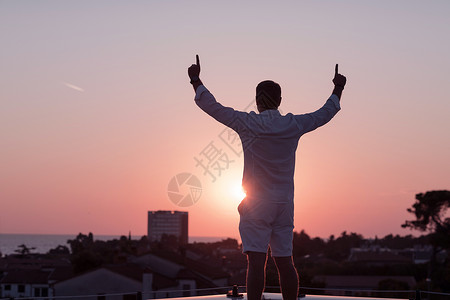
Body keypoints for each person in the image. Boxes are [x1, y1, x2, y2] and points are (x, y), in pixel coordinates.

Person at [188, 55, 346, 300]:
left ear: (257, 100)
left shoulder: (248, 123)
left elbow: (213, 107)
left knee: (256, 264)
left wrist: (196, 80)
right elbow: (325, 113)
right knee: (286, 262)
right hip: (284, 203)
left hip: (256, 203)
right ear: (280, 100)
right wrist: (338, 88)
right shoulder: (293, 124)